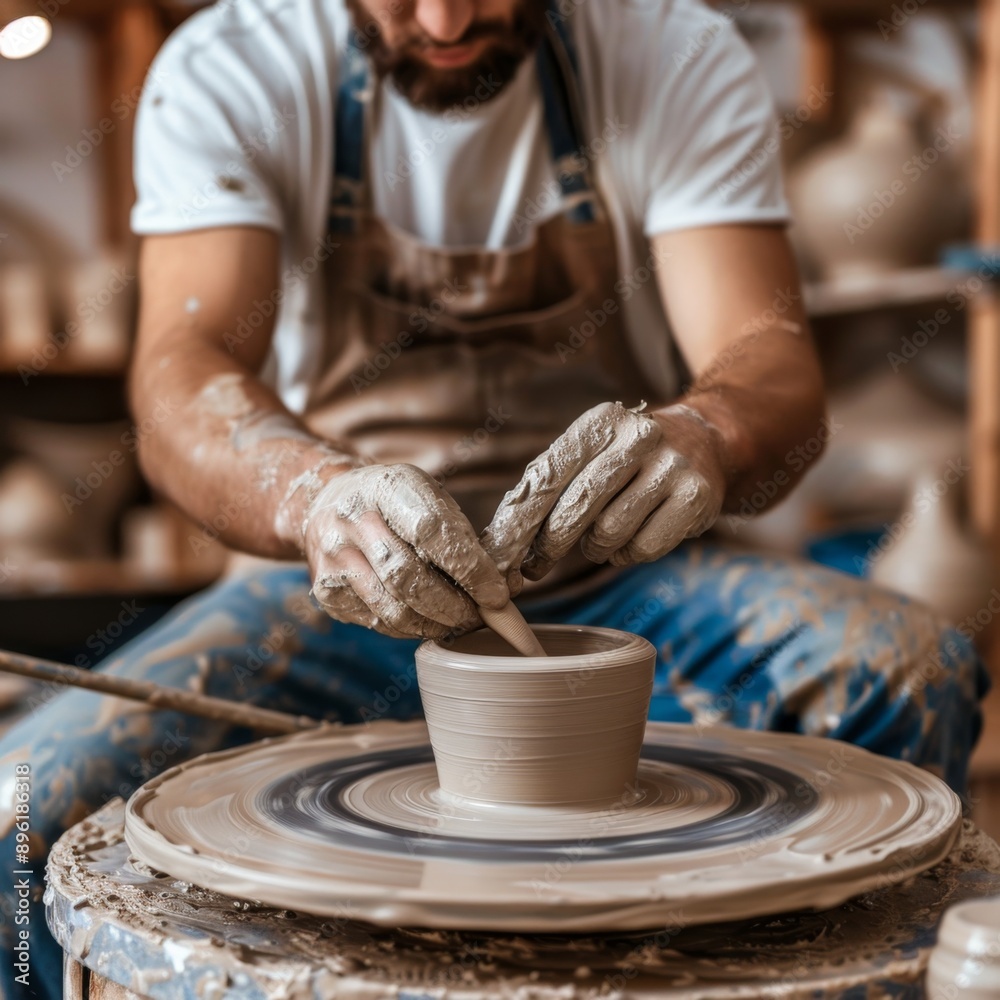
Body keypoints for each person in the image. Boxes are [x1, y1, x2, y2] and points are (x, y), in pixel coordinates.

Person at [0, 0, 987, 993]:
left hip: (626, 567)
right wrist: (312, 498)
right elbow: (181, 376)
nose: (443, 20)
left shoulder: (668, 47)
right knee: (19, 807)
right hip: (334, 579)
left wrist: (709, 433)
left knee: (904, 669)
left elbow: (766, 358)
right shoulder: (234, 64)